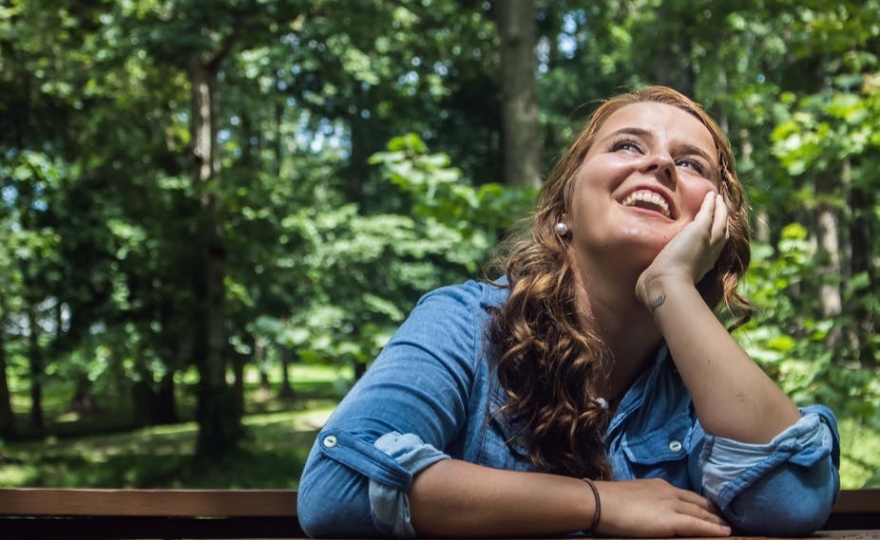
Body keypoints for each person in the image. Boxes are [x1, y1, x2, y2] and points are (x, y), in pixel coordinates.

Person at [296, 85, 840, 538]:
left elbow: (789, 501)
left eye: (690, 163)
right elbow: (336, 487)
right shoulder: (464, 323)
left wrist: (670, 285)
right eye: (627, 146)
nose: (658, 164)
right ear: (564, 207)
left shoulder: (704, 386)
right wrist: (598, 504)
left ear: (716, 223)